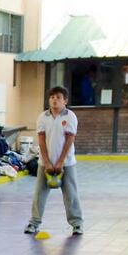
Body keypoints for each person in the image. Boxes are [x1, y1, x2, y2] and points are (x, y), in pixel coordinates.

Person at [25, 85, 84, 236]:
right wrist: (46, 162)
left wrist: (60, 162)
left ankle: (77, 224)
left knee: (71, 194)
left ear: (65, 101)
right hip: (45, 163)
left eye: (58, 97)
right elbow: (41, 140)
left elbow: (70, 139)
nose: (54, 100)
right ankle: (34, 223)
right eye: (52, 97)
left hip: (67, 163)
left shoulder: (70, 116)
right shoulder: (43, 117)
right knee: (39, 194)